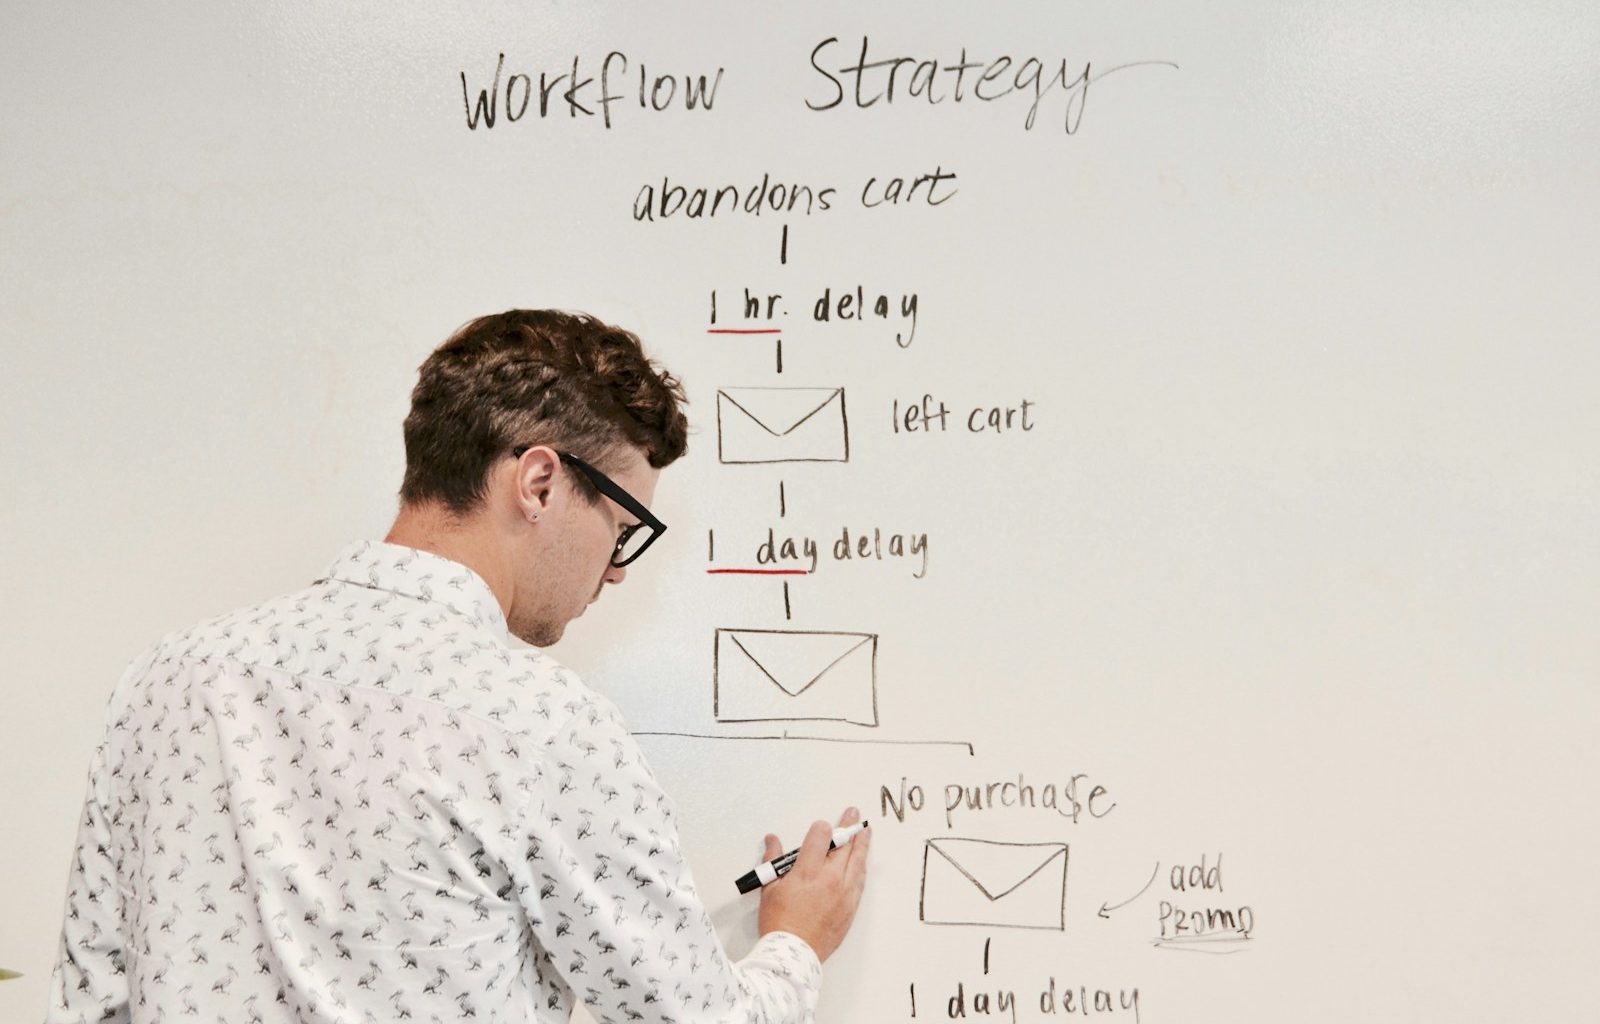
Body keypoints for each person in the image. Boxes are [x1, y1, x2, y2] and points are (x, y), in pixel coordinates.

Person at [46, 309, 871, 1023]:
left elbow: (89, 1001)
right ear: (541, 482)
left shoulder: (170, 679)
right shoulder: (542, 724)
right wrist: (797, 940)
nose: (618, 568)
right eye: (623, 529)